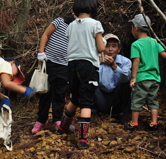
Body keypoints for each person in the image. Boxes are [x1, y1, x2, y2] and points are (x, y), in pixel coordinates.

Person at [56, 0, 106, 149]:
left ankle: (62, 127)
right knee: (87, 101)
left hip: (71, 64)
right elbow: (101, 47)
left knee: (76, 97)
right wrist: (102, 40)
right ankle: (83, 138)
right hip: (88, 65)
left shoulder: (71, 25)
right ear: (92, 9)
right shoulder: (95, 24)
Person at [124, 14, 166, 131]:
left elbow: (136, 60)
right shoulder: (153, 41)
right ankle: (154, 123)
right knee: (153, 100)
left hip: (142, 78)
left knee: (137, 100)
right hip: (155, 78)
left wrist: (133, 77)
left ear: (135, 27)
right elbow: (165, 55)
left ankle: (134, 123)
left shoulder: (136, 44)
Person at [31, 13, 75, 133]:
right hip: (49, 61)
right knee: (45, 92)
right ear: (73, 14)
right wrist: (41, 51)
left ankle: (57, 119)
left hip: (65, 65)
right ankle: (41, 120)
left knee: (60, 94)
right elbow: (46, 34)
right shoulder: (59, 21)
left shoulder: (77, 28)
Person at [92, 33, 132, 115]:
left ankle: (126, 115)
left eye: (114, 46)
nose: (110, 49)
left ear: (119, 49)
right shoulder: (94, 60)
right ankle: (93, 114)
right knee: (89, 81)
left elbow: (125, 78)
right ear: (102, 48)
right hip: (100, 97)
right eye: (107, 46)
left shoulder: (126, 61)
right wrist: (97, 63)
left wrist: (114, 66)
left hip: (117, 98)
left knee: (128, 81)